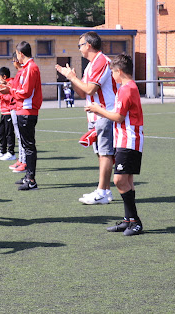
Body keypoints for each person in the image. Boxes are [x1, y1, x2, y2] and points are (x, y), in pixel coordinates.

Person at [85, 54, 144, 236]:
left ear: (119, 71)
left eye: (112, 72)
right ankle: (129, 220)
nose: (112, 76)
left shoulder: (127, 89)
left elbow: (118, 117)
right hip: (125, 140)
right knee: (127, 181)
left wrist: (98, 110)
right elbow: (120, 114)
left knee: (119, 180)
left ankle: (135, 221)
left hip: (129, 139)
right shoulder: (127, 88)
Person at [56, 31, 117, 204]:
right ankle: (105, 190)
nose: (79, 49)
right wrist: (71, 79)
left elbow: (91, 89)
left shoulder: (101, 61)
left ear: (88, 45)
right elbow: (83, 92)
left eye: (80, 45)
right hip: (95, 115)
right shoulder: (91, 65)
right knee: (100, 153)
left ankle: (102, 192)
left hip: (105, 113)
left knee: (105, 153)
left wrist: (73, 77)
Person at [0, 41, 42, 191]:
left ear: (21, 54)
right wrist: (9, 89)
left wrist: (9, 91)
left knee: (29, 146)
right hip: (23, 110)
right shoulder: (26, 68)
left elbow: (26, 92)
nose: (16, 57)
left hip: (27, 111)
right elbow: (20, 89)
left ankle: (31, 180)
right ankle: (28, 176)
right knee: (25, 145)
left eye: (17, 54)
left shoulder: (31, 68)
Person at [0, 67, 16, 161]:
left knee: (9, 133)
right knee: (2, 132)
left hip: (9, 112)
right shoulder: (2, 85)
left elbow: (10, 98)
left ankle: (11, 152)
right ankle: (2, 151)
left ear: (4, 76)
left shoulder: (10, 84)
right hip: (3, 112)